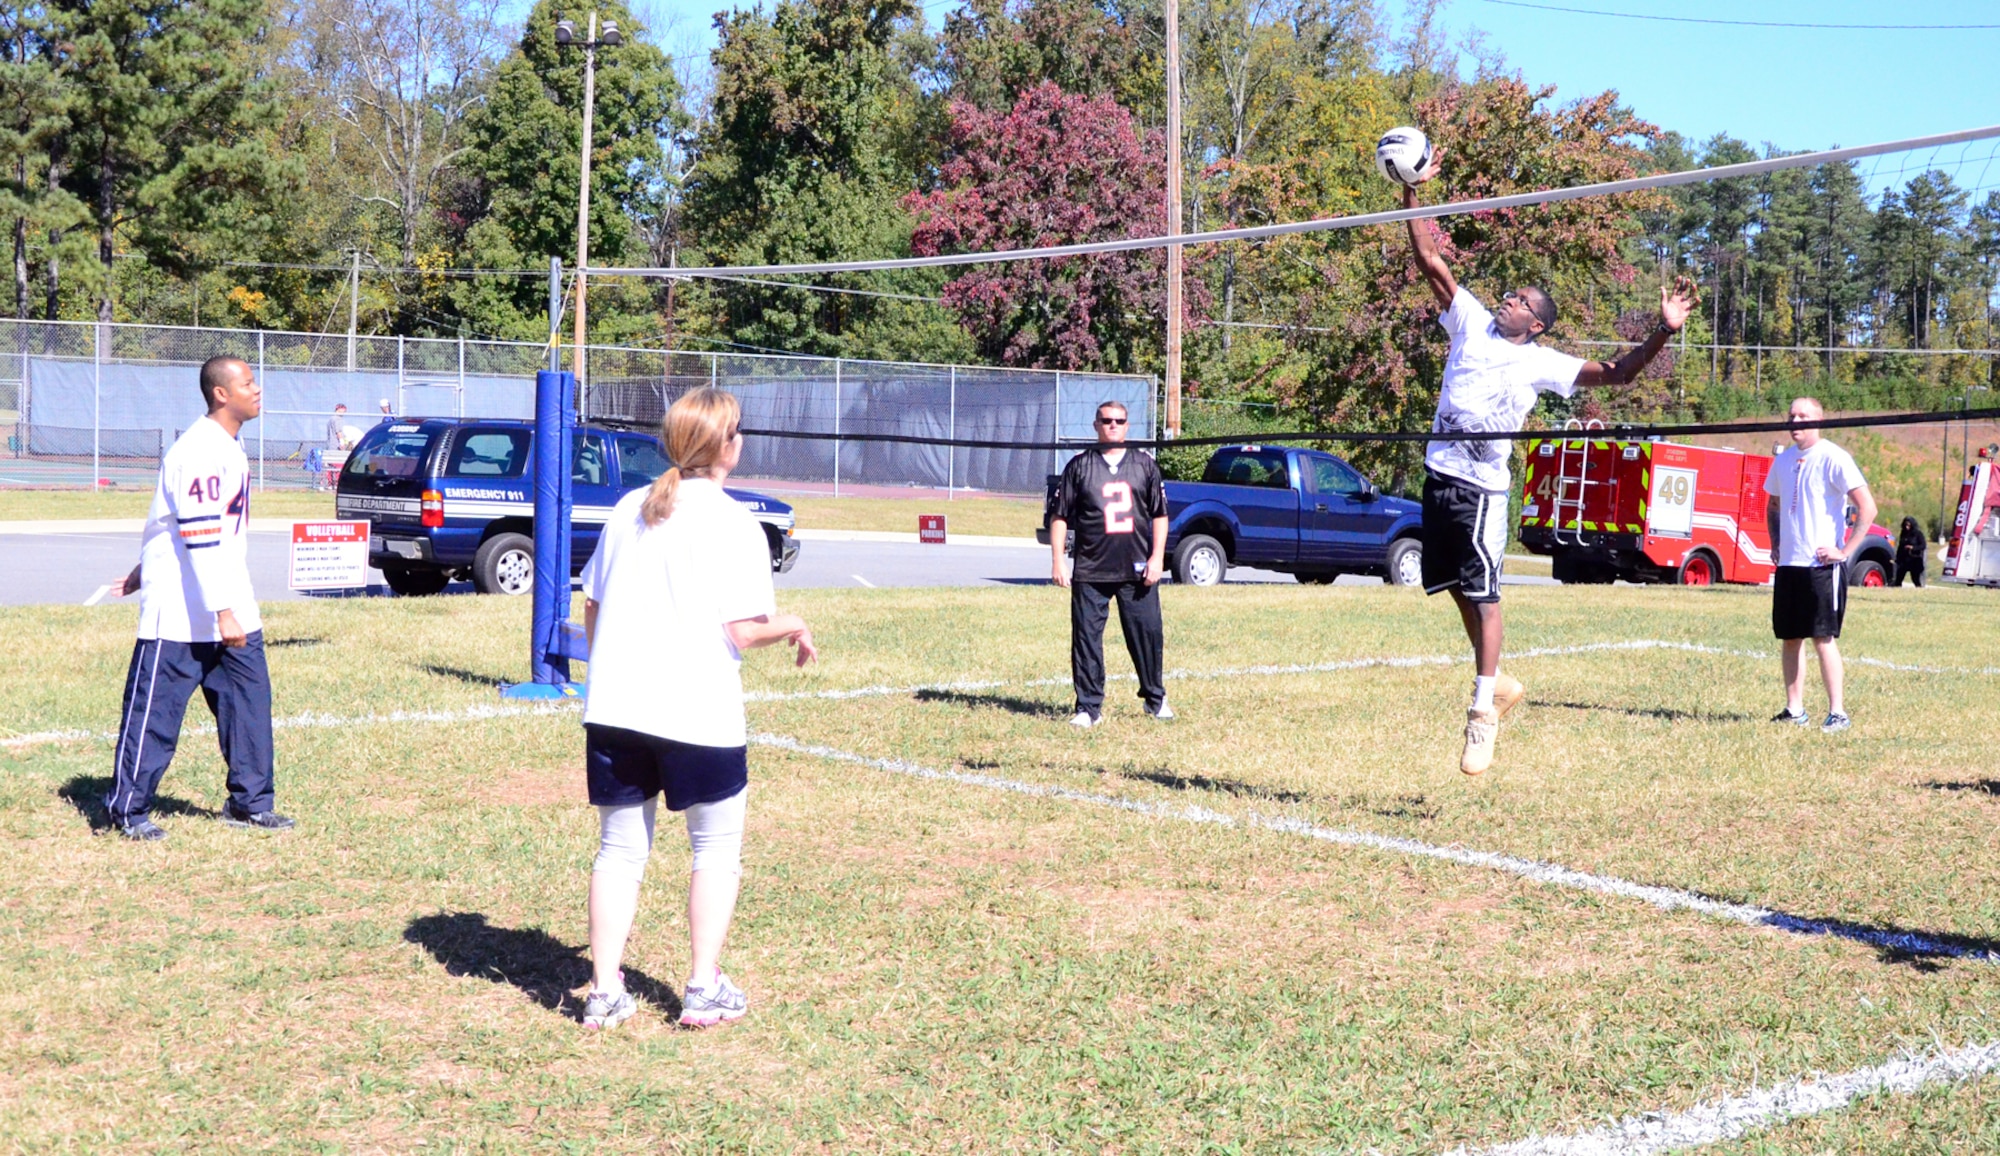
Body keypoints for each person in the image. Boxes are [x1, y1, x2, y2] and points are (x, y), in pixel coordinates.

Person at [1402, 148, 1698, 775]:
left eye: (1519, 301)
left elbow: (1617, 374)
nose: (1506, 300)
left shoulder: (1542, 362)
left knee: (1484, 594)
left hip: (1482, 487)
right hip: (1440, 476)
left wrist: (1664, 329)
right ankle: (1499, 682)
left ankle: (1483, 712)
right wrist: (1411, 189)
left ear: (1535, 325)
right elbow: (1428, 258)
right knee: (1450, 587)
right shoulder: (1470, 321)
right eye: (1507, 294)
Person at [576, 387, 817, 1031]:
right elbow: (741, 630)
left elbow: (592, 605)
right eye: (740, 430)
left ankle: (603, 992)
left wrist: (610, 673)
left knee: (618, 851)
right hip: (697, 713)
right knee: (715, 849)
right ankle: (703, 987)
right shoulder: (736, 522)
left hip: (615, 711)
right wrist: (792, 622)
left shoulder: (630, 505)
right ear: (725, 445)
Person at [103, 357, 294, 840]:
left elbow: (174, 525)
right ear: (221, 394)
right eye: (248, 383)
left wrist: (142, 569)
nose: (258, 390)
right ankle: (128, 810)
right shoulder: (199, 450)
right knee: (156, 717)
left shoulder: (228, 446)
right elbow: (198, 533)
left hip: (231, 606)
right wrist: (222, 610)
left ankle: (251, 803)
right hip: (185, 612)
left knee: (249, 708)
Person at [1047, 400, 1170, 728]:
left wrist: (1157, 558)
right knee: (1086, 638)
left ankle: (1155, 698)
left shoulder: (1145, 465)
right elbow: (1059, 517)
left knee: (1147, 634)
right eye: (1106, 420)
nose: (1113, 425)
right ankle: (1088, 707)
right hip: (1091, 568)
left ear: (1127, 425)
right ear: (1096, 425)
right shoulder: (1079, 466)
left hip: (1137, 568)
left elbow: (1160, 516)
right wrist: (1058, 560)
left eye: (1119, 420)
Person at [1765, 397, 1875, 734]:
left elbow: (1867, 509)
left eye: (1803, 416)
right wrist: (1776, 543)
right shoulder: (1783, 460)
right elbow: (1773, 504)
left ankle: (1837, 712)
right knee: (1790, 638)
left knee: (1822, 637)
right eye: (1791, 415)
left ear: (1819, 421)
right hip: (1790, 565)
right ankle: (1794, 709)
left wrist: (1845, 550)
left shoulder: (1834, 458)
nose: (1795, 421)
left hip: (1821, 566)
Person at [1894, 515, 1927, 587]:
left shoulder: (1918, 534)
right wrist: (1897, 558)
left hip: (1914, 559)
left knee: (1915, 579)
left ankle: (1919, 590)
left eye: (1908, 525)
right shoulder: (1903, 533)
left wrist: (1913, 547)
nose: (1907, 527)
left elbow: (1923, 546)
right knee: (1898, 578)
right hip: (1904, 560)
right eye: (1905, 525)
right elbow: (1900, 546)